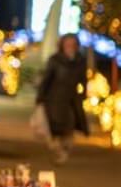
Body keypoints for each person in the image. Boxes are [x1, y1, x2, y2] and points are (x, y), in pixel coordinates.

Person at [36, 33, 89, 164]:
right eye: (68, 44)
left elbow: (83, 80)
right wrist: (40, 98)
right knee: (54, 128)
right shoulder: (55, 60)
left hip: (71, 100)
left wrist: (82, 95)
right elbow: (46, 79)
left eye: (73, 44)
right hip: (54, 100)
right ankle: (57, 152)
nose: (70, 47)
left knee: (69, 127)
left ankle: (63, 152)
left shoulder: (80, 61)